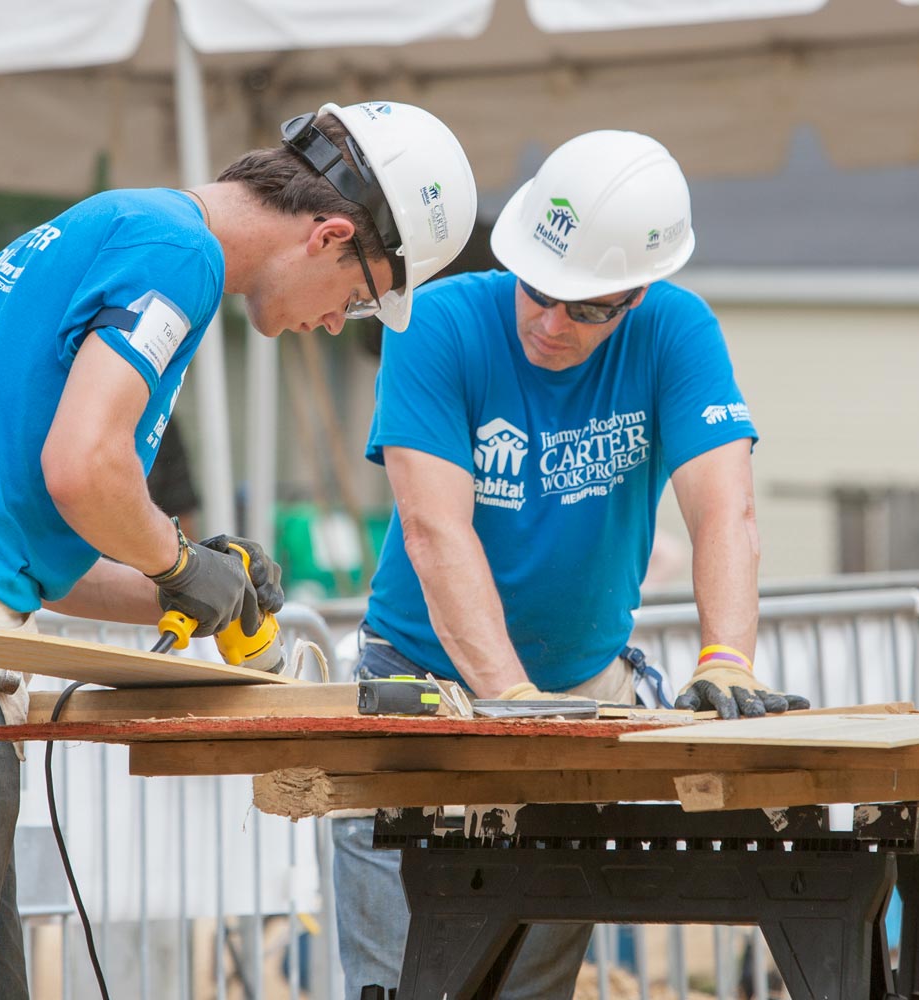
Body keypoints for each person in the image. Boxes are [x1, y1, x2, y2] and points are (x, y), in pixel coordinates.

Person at [0, 100, 476, 999]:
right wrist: (178, 558)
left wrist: (193, 592)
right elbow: (86, 467)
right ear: (330, 236)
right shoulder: (177, 252)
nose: (333, 320)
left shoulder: (126, 229)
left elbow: (48, 545)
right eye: (355, 299)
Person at [333, 130, 809, 998]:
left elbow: (724, 510)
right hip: (424, 691)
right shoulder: (436, 323)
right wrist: (510, 701)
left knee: (529, 988)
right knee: (402, 985)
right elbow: (437, 532)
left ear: (639, 292)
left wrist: (727, 659)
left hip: (580, 696)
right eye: (542, 292)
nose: (552, 324)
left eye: (590, 307)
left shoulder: (674, 329)